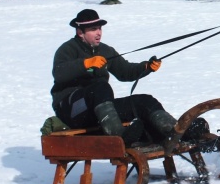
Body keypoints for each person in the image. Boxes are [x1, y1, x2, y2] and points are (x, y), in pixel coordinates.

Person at [51, 9, 208, 148]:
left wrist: (146, 67)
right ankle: (119, 137)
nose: (99, 32)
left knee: (144, 101)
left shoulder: (105, 50)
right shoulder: (67, 50)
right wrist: (85, 64)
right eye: (93, 29)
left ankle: (176, 132)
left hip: (98, 109)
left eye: (99, 28)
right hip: (71, 110)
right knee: (100, 88)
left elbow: (125, 72)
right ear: (80, 32)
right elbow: (59, 73)